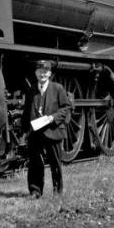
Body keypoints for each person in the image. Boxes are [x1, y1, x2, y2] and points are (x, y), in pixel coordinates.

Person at [22, 59, 71, 198]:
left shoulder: (58, 88)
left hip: (53, 130)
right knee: (35, 163)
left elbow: (66, 107)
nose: (42, 74)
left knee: (55, 163)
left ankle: (57, 191)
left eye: (45, 72)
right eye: (39, 71)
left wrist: (53, 118)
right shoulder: (31, 90)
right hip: (35, 132)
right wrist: (25, 130)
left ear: (49, 73)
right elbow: (27, 111)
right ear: (35, 73)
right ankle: (35, 191)